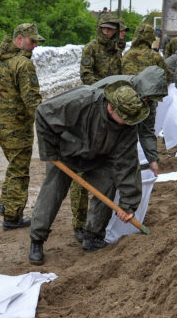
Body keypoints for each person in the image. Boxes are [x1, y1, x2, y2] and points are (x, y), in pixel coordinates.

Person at [27, 83, 149, 265]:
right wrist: (49, 153)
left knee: (109, 182)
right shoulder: (81, 101)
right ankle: (37, 239)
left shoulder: (128, 126)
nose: (129, 122)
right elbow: (43, 113)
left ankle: (92, 235)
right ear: (111, 107)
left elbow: (128, 164)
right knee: (52, 192)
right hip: (64, 153)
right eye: (125, 118)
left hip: (99, 157)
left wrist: (128, 204)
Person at [0, 23, 44, 229]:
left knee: (14, 164)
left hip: (1, 127)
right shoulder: (23, 65)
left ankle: (5, 204)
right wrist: (45, 125)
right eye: (31, 40)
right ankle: (12, 216)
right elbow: (31, 100)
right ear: (19, 39)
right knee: (19, 171)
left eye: (36, 41)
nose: (35, 45)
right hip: (18, 128)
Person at [75, 12, 124, 242]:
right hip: (94, 104)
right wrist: (102, 91)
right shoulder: (91, 48)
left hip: (112, 108)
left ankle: (96, 222)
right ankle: (79, 222)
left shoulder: (116, 51)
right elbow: (86, 75)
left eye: (111, 29)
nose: (107, 33)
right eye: (104, 29)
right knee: (81, 167)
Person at [94, 65, 168, 176]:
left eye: (150, 98)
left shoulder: (149, 100)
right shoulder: (117, 88)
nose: (147, 100)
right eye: (147, 97)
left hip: (117, 127)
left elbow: (146, 131)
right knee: (88, 164)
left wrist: (152, 159)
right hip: (95, 123)